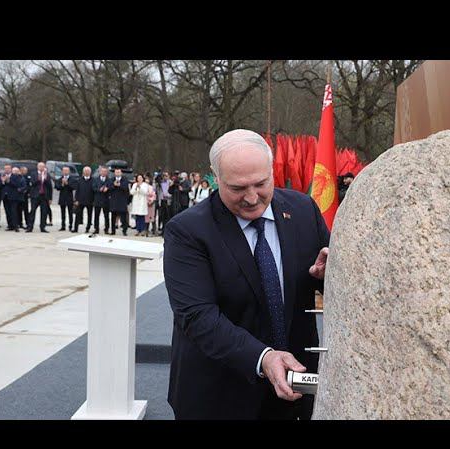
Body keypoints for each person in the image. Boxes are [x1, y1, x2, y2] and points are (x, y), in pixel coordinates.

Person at [163, 129, 330, 420]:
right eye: (238, 188)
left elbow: (326, 283)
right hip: (219, 394)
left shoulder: (303, 210)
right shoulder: (187, 231)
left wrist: (325, 276)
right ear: (215, 177)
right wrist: (263, 358)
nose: (252, 198)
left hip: (294, 389)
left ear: (272, 171)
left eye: (261, 184)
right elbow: (197, 315)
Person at [27, 162, 53, 233]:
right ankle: (30, 227)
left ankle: (42, 227)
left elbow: (50, 187)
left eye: (43, 167)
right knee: (32, 211)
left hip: (44, 196)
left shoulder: (47, 175)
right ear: (37, 167)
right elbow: (32, 183)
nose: (41, 168)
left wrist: (50, 198)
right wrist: (38, 179)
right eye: (40, 167)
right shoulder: (33, 174)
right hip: (35, 196)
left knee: (44, 212)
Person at [107, 168, 130, 236]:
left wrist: (120, 185)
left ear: (121, 173)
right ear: (114, 173)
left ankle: (124, 230)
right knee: (113, 217)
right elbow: (109, 188)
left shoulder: (125, 179)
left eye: (118, 172)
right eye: (116, 172)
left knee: (123, 218)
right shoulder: (111, 179)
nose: (117, 173)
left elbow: (126, 188)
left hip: (122, 201)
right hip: (114, 201)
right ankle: (113, 231)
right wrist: (114, 185)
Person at [73, 166, 94, 233]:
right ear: (83, 172)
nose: (86, 172)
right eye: (85, 171)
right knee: (77, 215)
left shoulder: (93, 180)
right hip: (80, 201)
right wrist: (76, 200)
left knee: (89, 215)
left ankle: (88, 228)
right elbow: (77, 190)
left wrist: (94, 200)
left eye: (88, 171)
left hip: (90, 201)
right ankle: (75, 228)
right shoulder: (80, 180)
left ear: (90, 172)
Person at [55, 166, 76, 231]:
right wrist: (62, 185)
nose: (65, 172)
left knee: (70, 213)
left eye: (67, 171)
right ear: (62, 172)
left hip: (69, 198)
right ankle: (63, 226)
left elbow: (74, 187)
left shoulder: (72, 179)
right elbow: (57, 187)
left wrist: (67, 184)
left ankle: (70, 225)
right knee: (62, 213)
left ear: (69, 172)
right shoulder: (60, 179)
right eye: (64, 171)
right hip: (62, 198)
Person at [6, 167, 26, 232]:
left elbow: (20, 185)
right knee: (11, 212)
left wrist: (9, 181)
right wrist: (7, 181)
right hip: (11, 197)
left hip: (17, 197)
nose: (15, 172)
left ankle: (16, 225)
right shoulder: (11, 177)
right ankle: (11, 225)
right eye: (14, 171)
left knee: (15, 212)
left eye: (16, 171)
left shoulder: (20, 177)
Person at [92, 167, 110, 234]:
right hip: (97, 200)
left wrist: (107, 189)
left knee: (106, 216)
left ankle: (106, 229)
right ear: (99, 172)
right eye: (102, 171)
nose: (104, 173)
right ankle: (96, 229)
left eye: (105, 171)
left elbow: (111, 187)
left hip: (106, 200)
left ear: (107, 172)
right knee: (96, 216)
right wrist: (99, 189)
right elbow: (93, 188)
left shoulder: (109, 180)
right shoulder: (95, 179)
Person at [0, 164, 13, 230]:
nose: (6, 170)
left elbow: (15, 184)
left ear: (11, 169)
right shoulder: (2, 176)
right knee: (7, 211)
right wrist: (3, 181)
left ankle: (14, 224)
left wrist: (8, 181)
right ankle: (9, 225)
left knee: (13, 211)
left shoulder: (14, 176)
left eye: (8, 168)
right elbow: (0, 185)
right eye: (5, 169)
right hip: (5, 196)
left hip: (12, 196)